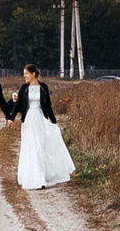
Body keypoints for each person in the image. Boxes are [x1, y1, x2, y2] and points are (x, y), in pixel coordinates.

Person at [10, 63, 75, 191]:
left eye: (26, 74)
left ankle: (41, 177)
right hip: (28, 120)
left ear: (33, 74)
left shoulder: (43, 87)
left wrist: (54, 121)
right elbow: (18, 105)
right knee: (31, 147)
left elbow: (48, 106)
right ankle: (31, 177)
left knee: (40, 146)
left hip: (40, 119)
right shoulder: (24, 88)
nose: (24, 76)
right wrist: (11, 118)